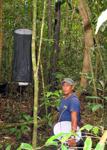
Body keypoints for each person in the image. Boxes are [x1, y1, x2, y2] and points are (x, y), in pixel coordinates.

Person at [57, 78, 81, 147]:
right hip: (63, 130)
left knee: (70, 147)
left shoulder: (73, 100)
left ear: (72, 87)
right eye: (63, 86)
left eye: (67, 85)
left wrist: (72, 136)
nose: (65, 88)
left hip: (70, 132)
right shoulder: (64, 98)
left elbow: (74, 119)